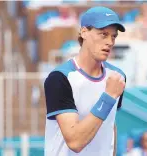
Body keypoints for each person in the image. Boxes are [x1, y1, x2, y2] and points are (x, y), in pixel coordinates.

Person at [44, 6, 126, 156]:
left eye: (113, 36)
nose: (110, 42)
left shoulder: (117, 76)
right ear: (84, 32)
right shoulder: (60, 78)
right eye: (103, 34)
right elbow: (75, 142)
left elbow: (109, 125)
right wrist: (108, 97)